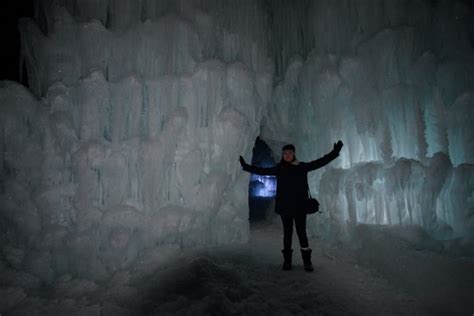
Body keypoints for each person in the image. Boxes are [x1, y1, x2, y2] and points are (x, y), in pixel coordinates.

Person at [239, 140, 343, 272]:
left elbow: (320, 162)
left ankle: (307, 262)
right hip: (285, 207)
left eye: (289, 153)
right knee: (287, 234)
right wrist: (245, 166)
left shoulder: (302, 167)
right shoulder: (279, 168)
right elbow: (262, 170)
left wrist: (334, 152)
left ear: (294, 154)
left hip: (300, 206)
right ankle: (287, 262)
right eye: (285, 153)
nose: (287, 155)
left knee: (302, 233)